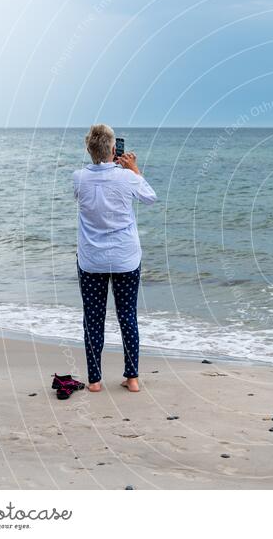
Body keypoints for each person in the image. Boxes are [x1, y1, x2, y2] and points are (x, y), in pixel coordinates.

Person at [72, 124, 156, 393]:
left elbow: (83, 197)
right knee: (127, 317)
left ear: (89, 149)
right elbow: (150, 198)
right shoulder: (127, 178)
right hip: (125, 258)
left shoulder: (79, 177)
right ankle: (132, 379)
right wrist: (133, 170)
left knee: (93, 319)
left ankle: (94, 380)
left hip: (92, 259)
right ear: (112, 149)